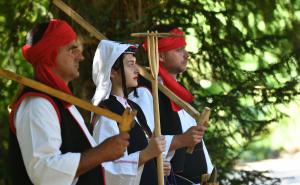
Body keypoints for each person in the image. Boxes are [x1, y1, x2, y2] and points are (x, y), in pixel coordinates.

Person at [8, 19, 129, 185]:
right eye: (72, 50)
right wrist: (101, 153)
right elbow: (44, 172)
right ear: (50, 53)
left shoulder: (60, 102)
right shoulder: (37, 104)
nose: (81, 56)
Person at [129, 25, 213, 184]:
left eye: (185, 49)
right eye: (179, 50)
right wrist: (181, 140)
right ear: (160, 56)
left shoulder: (179, 93)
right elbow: (143, 143)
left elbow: (197, 144)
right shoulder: (145, 94)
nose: (187, 55)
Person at [91, 40, 174, 185]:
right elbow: (104, 168)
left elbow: (143, 150)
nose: (136, 70)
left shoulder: (134, 108)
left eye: (135, 63)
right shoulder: (107, 112)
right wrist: (145, 155)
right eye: (130, 64)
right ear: (112, 72)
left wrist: (158, 164)